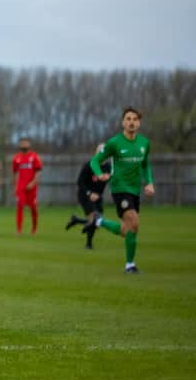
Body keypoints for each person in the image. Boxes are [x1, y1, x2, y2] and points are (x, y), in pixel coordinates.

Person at [84, 107, 154, 273]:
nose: (131, 122)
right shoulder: (114, 143)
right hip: (119, 188)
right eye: (128, 119)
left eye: (135, 119)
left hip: (135, 189)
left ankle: (99, 221)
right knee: (135, 222)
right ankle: (130, 266)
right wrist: (100, 174)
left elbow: (145, 164)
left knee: (127, 229)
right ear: (123, 122)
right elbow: (95, 161)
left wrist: (149, 182)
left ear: (139, 123)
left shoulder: (144, 143)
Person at [65, 143, 111, 249]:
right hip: (85, 195)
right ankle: (88, 244)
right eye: (100, 152)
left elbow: (110, 180)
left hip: (98, 197)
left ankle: (76, 220)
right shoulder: (89, 165)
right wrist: (89, 193)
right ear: (96, 152)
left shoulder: (108, 167)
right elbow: (80, 182)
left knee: (98, 222)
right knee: (94, 219)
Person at [12, 138, 42, 235]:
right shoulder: (16, 158)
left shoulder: (34, 156)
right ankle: (19, 230)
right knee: (20, 206)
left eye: (26, 143)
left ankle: (34, 228)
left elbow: (38, 172)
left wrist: (33, 183)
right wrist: (16, 186)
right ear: (20, 145)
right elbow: (15, 173)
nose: (24, 144)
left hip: (32, 187)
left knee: (33, 208)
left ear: (29, 144)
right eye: (22, 143)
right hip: (21, 187)